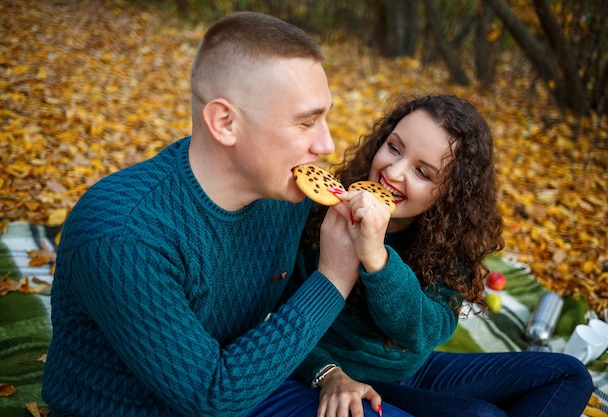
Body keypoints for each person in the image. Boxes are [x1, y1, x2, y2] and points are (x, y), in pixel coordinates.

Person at [42, 12, 396, 417]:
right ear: (225, 122)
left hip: (245, 385)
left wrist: (326, 371)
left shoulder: (284, 198)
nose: (328, 144)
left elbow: (272, 322)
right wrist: (334, 277)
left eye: (326, 116)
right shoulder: (122, 233)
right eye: (307, 121)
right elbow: (211, 398)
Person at [283, 94, 594, 417]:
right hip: (350, 374)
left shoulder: (445, 241)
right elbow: (270, 319)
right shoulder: (319, 214)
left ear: (449, 193)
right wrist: (326, 371)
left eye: (423, 172)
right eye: (394, 147)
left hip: (416, 366)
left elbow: (426, 332)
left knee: (570, 374)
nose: (394, 171)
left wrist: (378, 259)